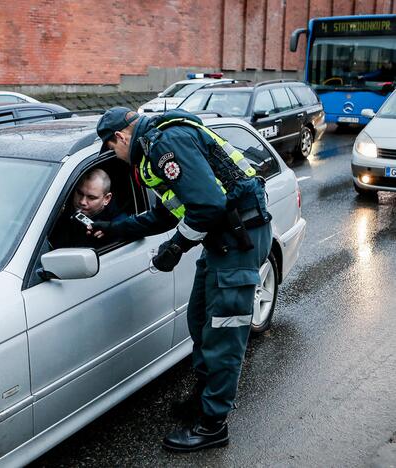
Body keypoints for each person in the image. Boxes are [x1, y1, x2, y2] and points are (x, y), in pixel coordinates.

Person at [93, 106, 272, 453]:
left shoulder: (165, 143)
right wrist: (114, 228)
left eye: (112, 149)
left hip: (238, 241)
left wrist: (175, 247)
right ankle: (203, 401)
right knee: (200, 321)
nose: (115, 155)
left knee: (223, 334)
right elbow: (166, 212)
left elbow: (208, 206)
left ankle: (212, 426)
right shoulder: (154, 147)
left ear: (120, 137)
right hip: (221, 241)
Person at [50, 168, 125, 249]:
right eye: (79, 193)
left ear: (106, 199)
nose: (82, 202)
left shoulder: (118, 225)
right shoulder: (58, 209)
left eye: (91, 197)